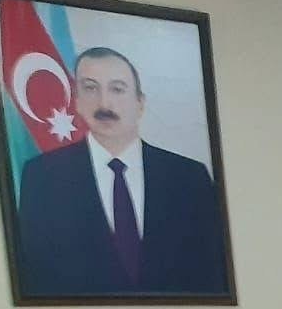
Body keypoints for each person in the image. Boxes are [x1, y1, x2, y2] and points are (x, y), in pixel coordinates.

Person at [17, 47, 229, 296]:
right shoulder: (42, 176)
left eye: (117, 89)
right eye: (90, 88)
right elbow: (36, 274)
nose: (104, 103)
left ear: (140, 103)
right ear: (77, 102)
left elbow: (213, 273)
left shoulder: (189, 177)